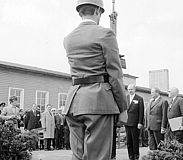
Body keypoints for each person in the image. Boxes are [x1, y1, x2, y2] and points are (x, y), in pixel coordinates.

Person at [63, 0, 128, 159]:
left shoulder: (68, 38)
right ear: (99, 10)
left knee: (78, 155)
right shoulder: (105, 34)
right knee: (98, 156)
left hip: (74, 102)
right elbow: (115, 74)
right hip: (98, 102)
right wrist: (123, 108)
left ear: (79, 12)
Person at [125, 84, 144, 160]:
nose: (130, 91)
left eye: (131, 89)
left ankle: (136, 156)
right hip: (127, 122)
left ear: (134, 89)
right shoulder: (125, 98)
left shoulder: (139, 98)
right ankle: (130, 156)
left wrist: (140, 122)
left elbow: (141, 112)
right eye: (129, 89)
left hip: (135, 123)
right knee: (129, 141)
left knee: (135, 141)